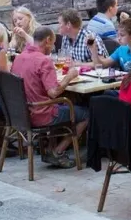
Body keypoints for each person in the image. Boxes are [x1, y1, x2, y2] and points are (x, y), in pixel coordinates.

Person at [12, 26, 86, 165]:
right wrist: (69, 77)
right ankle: (57, 151)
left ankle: (49, 147)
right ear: (47, 40)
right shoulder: (43, 60)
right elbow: (53, 93)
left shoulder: (19, 57)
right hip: (41, 114)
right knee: (86, 114)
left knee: (65, 103)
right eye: (53, 43)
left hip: (22, 114)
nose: (52, 47)